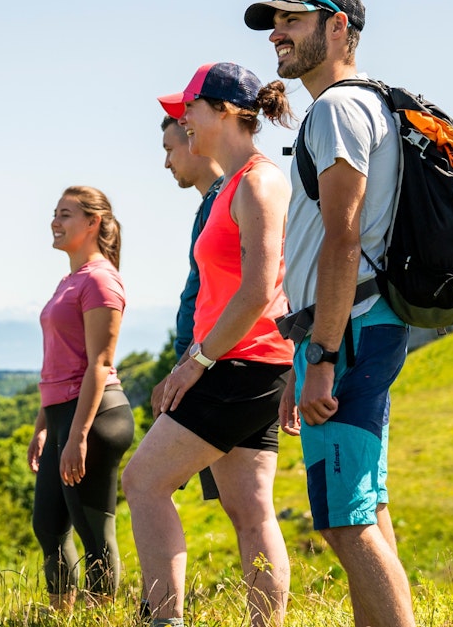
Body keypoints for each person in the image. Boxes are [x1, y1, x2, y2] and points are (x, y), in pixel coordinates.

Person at [245, 0, 416, 627]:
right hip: (358, 325)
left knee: (345, 521)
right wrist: (307, 353)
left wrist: (319, 356)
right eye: (275, 23)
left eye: (292, 19)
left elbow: (343, 240)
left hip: (349, 331)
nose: (277, 34)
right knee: (366, 507)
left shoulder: (337, 110)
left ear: (338, 26)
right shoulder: (369, 104)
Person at [123, 63, 296, 627]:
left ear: (223, 111)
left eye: (191, 108)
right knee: (250, 510)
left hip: (239, 363)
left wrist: (194, 363)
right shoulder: (235, 184)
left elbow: (259, 290)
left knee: (143, 481)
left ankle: (165, 619)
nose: (185, 121)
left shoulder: (259, 183)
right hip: (247, 361)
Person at [28, 185, 137, 612]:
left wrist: (78, 436)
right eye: (55, 213)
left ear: (93, 222)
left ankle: (101, 617)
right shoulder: (70, 281)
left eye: (65, 214)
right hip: (63, 416)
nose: (54, 222)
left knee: (94, 531)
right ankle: (63, 615)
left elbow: (99, 364)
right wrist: (43, 427)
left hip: (94, 417)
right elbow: (58, 364)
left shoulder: (100, 280)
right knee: (49, 526)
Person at [160, 115, 226, 503]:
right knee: (241, 503)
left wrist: (188, 364)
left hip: (210, 366)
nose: (166, 162)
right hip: (201, 361)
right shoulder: (211, 203)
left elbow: (217, 295)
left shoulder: (221, 201)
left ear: (193, 139)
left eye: (170, 150)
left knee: (145, 481)